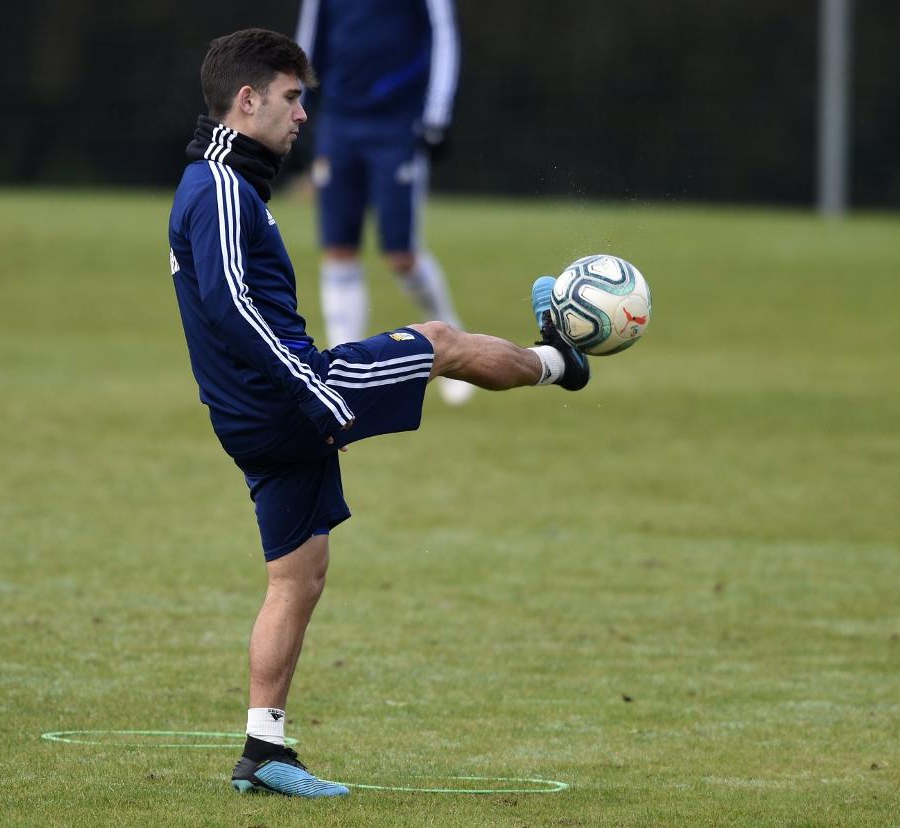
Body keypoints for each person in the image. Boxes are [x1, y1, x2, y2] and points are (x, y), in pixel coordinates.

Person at [168, 28, 589, 798]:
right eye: (293, 99)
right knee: (438, 342)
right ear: (247, 100)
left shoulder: (218, 182)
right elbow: (229, 307)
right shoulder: (221, 190)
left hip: (256, 413)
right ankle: (561, 359)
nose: (302, 117)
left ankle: (263, 753)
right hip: (288, 400)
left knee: (298, 574)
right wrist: (317, 393)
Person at [294, 0, 475, 405]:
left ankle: (454, 345)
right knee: (338, 249)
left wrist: (437, 115)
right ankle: (345, 376)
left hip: (397, 124)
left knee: (401, 255)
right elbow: (307, 44)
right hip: (339, 122)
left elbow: (444, 36)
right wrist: (299, 107)